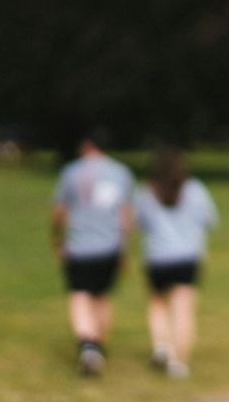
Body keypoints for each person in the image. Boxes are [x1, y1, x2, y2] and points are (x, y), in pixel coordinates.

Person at [51, 135, 134, 376]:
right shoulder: (121, 173)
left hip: (79, 246)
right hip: (109, 246)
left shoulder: (71, 172)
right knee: (102, 296)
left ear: (86, 146)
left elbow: (59, 210)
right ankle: (99, 344)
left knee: (80, 295)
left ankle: (88, 345)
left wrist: (57, 238)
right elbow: (126, 215)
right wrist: (124, 247)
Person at [134, 146, 218, 378]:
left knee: (158, 304)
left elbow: (138, 223)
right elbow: (210, 220)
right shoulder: (196, 190)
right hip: (188, 258)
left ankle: (161, 345)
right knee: (184, 310)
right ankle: (178, 363)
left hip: (157, 259)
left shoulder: (146, 192)